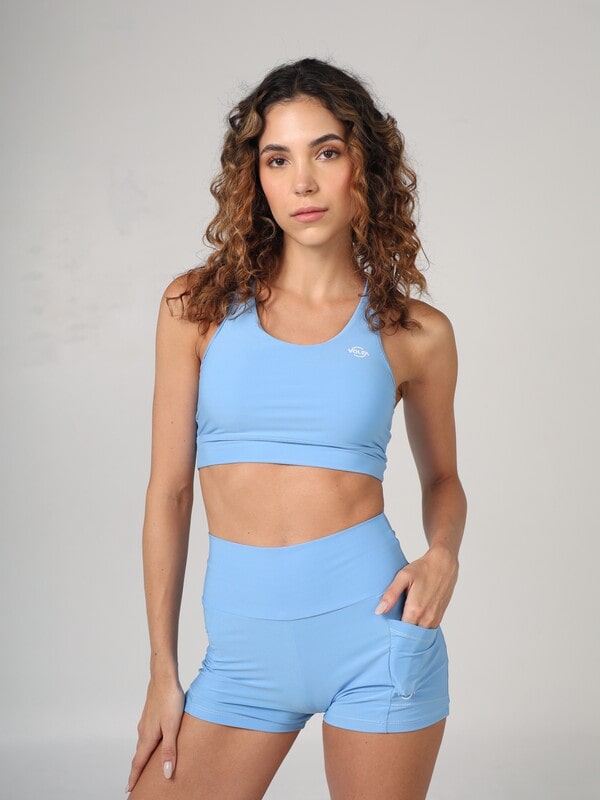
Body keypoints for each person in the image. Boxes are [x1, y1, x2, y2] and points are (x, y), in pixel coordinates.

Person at [125, 57, 467, 800]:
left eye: (327, 152)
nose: (303, 182)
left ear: (363, 167)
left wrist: (443, 554)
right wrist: (161, 669)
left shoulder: (415, 332)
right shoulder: (195, 309)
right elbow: (169, 493)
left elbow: (443, 478)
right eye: (278, 159)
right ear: (256, 179)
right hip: (242, 658)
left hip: (376, 641)